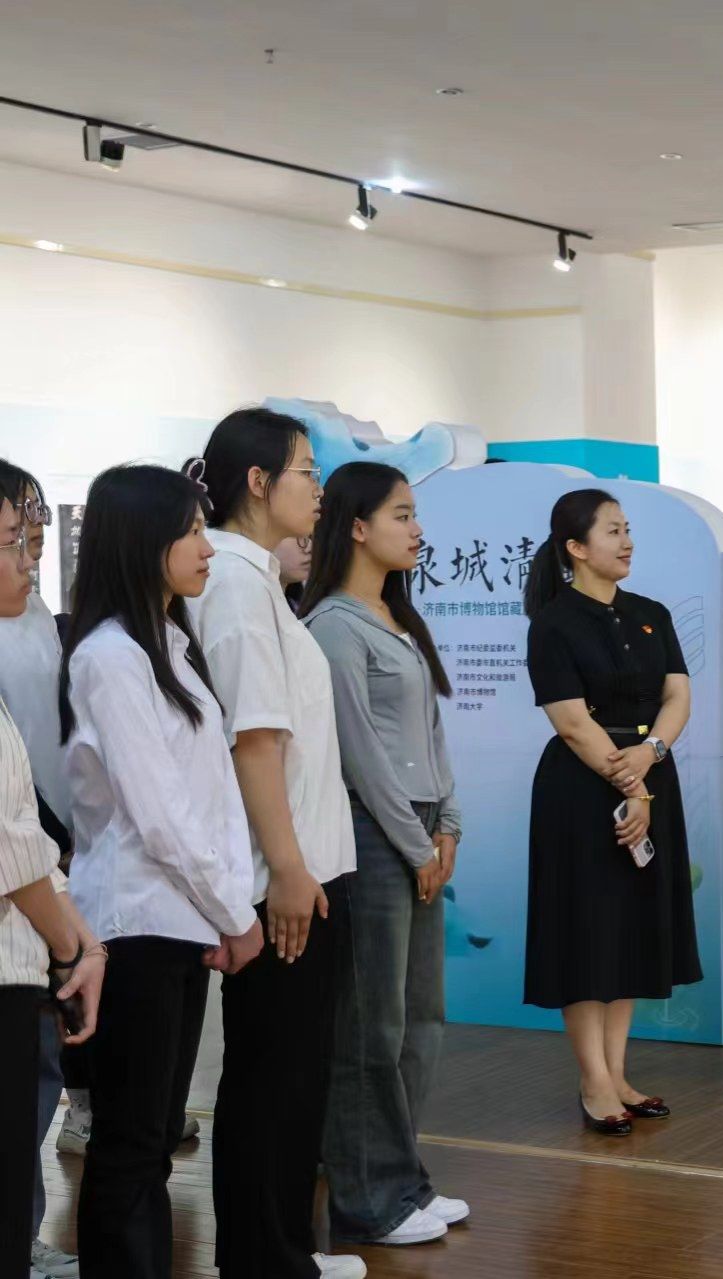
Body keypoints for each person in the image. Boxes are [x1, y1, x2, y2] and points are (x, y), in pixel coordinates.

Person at [60, 466, 273, 1279]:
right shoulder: (111, 657)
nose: (205, 546)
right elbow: (159, 815)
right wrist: (236, 912)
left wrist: (225, 908)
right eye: (189, 530)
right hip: (134, 922)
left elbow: (210, 799)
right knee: (131, 1143)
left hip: (178, 922)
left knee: (151, 1145)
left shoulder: (171, 645)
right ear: (141, 540)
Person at [187, 409, 367, 1269]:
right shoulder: (230, 582)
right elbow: (253, 741)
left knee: (293, 1077)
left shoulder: (257, 579)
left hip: (304, 866)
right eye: (306, 470)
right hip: (281, 875)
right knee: (273, 1075)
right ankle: (264, 1257)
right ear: (257, 483)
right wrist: (289, 871)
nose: (319, 489)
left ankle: (282, 1249)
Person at [302, 463, 469, 1244]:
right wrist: (415, 842)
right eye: (402, 514)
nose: (417, 528)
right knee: (371, 1026)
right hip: (376, 834)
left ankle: (403, 1179)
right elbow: (360, 754)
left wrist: (449, 824)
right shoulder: (333, 626)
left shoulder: (397, 616)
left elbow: (431, 736)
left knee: (420, 1018)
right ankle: (367, 1197)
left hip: (420, 828)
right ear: (358, 526)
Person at [524, 489, 703, 1117]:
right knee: (586, 931)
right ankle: (593, 1081)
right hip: (582, 787)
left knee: (630, 929)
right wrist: (634, 786)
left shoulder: (651, 613)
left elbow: (677, 696)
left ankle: (619, 1074)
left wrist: (651, 755)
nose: (626, 541)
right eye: (612, 531)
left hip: (649, 770)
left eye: (628, 529)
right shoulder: (553, 623)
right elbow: (573, 723)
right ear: (575, 547)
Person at [2, 478, 102, 1279]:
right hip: (28, 911)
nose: (28, 552)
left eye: (30, 529)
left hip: (45, 891)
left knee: (31, 1093)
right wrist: (71, 939)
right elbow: (11, 833)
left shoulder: (39, 618)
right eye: (12, 537)